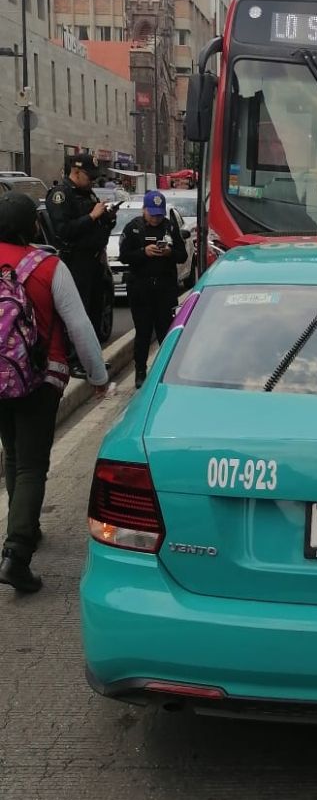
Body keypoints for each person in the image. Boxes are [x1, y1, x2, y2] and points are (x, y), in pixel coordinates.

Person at [0, 194, 109, 594]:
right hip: (39, 377)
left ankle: (23, 524)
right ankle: (17, 553)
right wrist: (98, 377)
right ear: (33, 226)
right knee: (31, 464)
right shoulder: (48, 265)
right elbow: (79, 326)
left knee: (13, 453)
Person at [44, 155, 117, 360]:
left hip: (95, 261)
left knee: (95, 310)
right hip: (75, 262)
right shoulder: (62, 195)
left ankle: (91, 357)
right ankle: (75, 359)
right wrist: (92, 216)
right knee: (77, 313)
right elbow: (63, 230)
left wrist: (107, 218)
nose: (92, 181)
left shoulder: (87, 193)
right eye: (89, 176)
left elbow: (96, 227)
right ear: (75, 172)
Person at [119, 190, 188, 388]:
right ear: (144, 210)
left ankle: (167, 369)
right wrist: (144, 252)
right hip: (141, 287)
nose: (156, 218)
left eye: (159, 214)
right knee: (143, 332)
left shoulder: (170, 227)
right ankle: (140, 371)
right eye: (152, 214)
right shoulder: (133, 228)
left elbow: (182, 255)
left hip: (165, 287)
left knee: (166, 330)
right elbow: (124, 256)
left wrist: (168, 253)